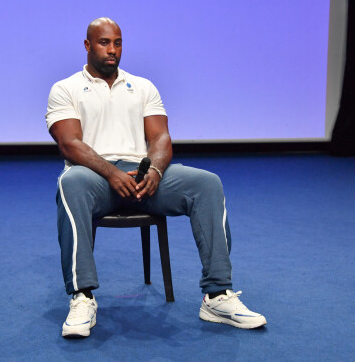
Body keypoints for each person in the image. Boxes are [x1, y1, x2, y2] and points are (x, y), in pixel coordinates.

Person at [46, 17, 266, 338]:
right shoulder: (64, 89)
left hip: (143, 175)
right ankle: (82, 297)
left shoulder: (144, 86)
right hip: (96, 177)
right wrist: (111, 172)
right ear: (87, 45)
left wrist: (157, 171)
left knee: (207, 183)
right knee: (69, 182)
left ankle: (217, 295)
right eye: (104, 42)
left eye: (118, 43)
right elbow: (70, 144)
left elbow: (161, 139)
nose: (112, 50)